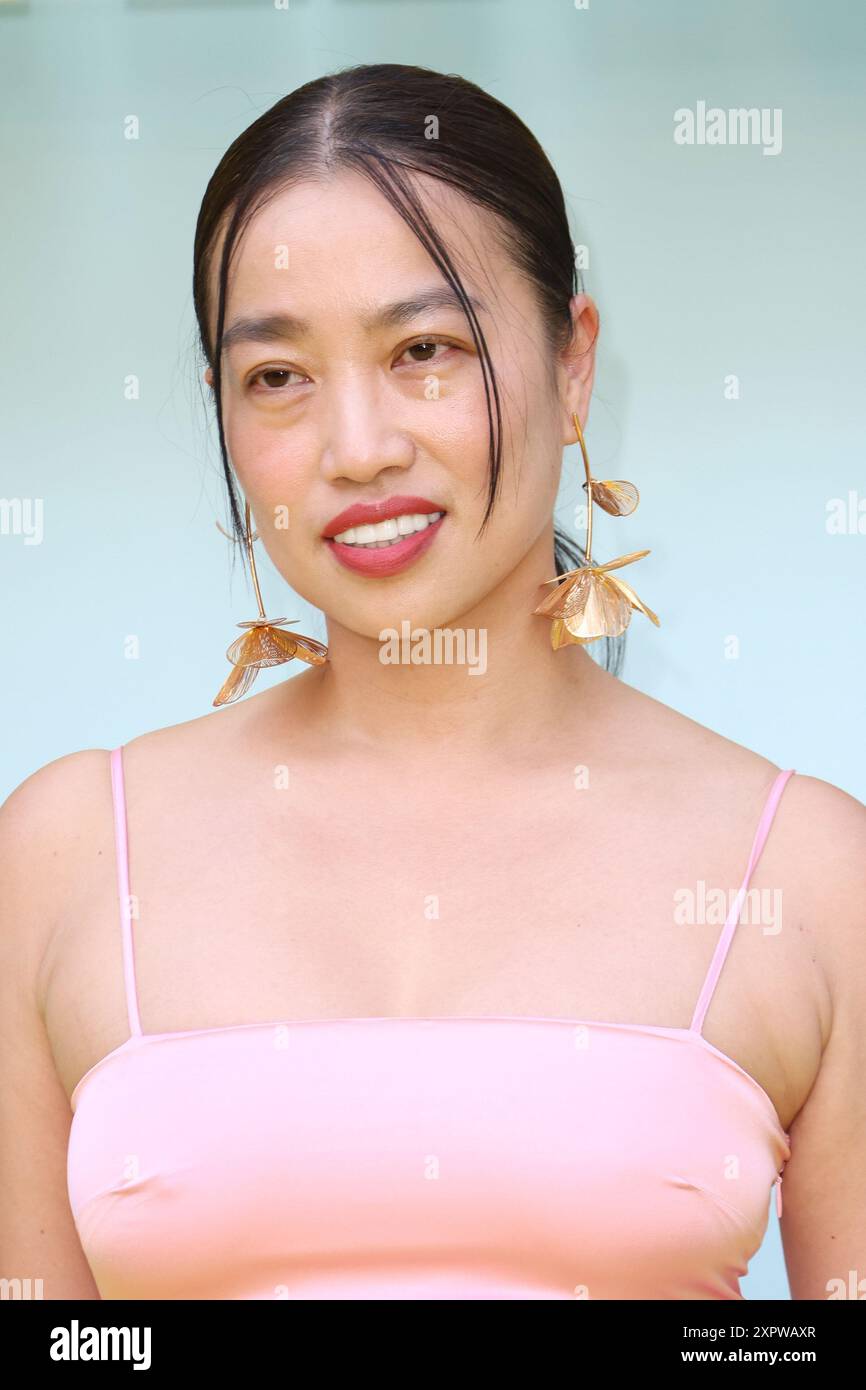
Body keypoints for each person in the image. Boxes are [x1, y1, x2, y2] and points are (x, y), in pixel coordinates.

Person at [2, 63, 864, 1301]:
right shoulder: (66, 853)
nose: (356, 449)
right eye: (277, 377)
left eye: (424, 349)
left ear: (571, 367)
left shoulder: (805, 872)